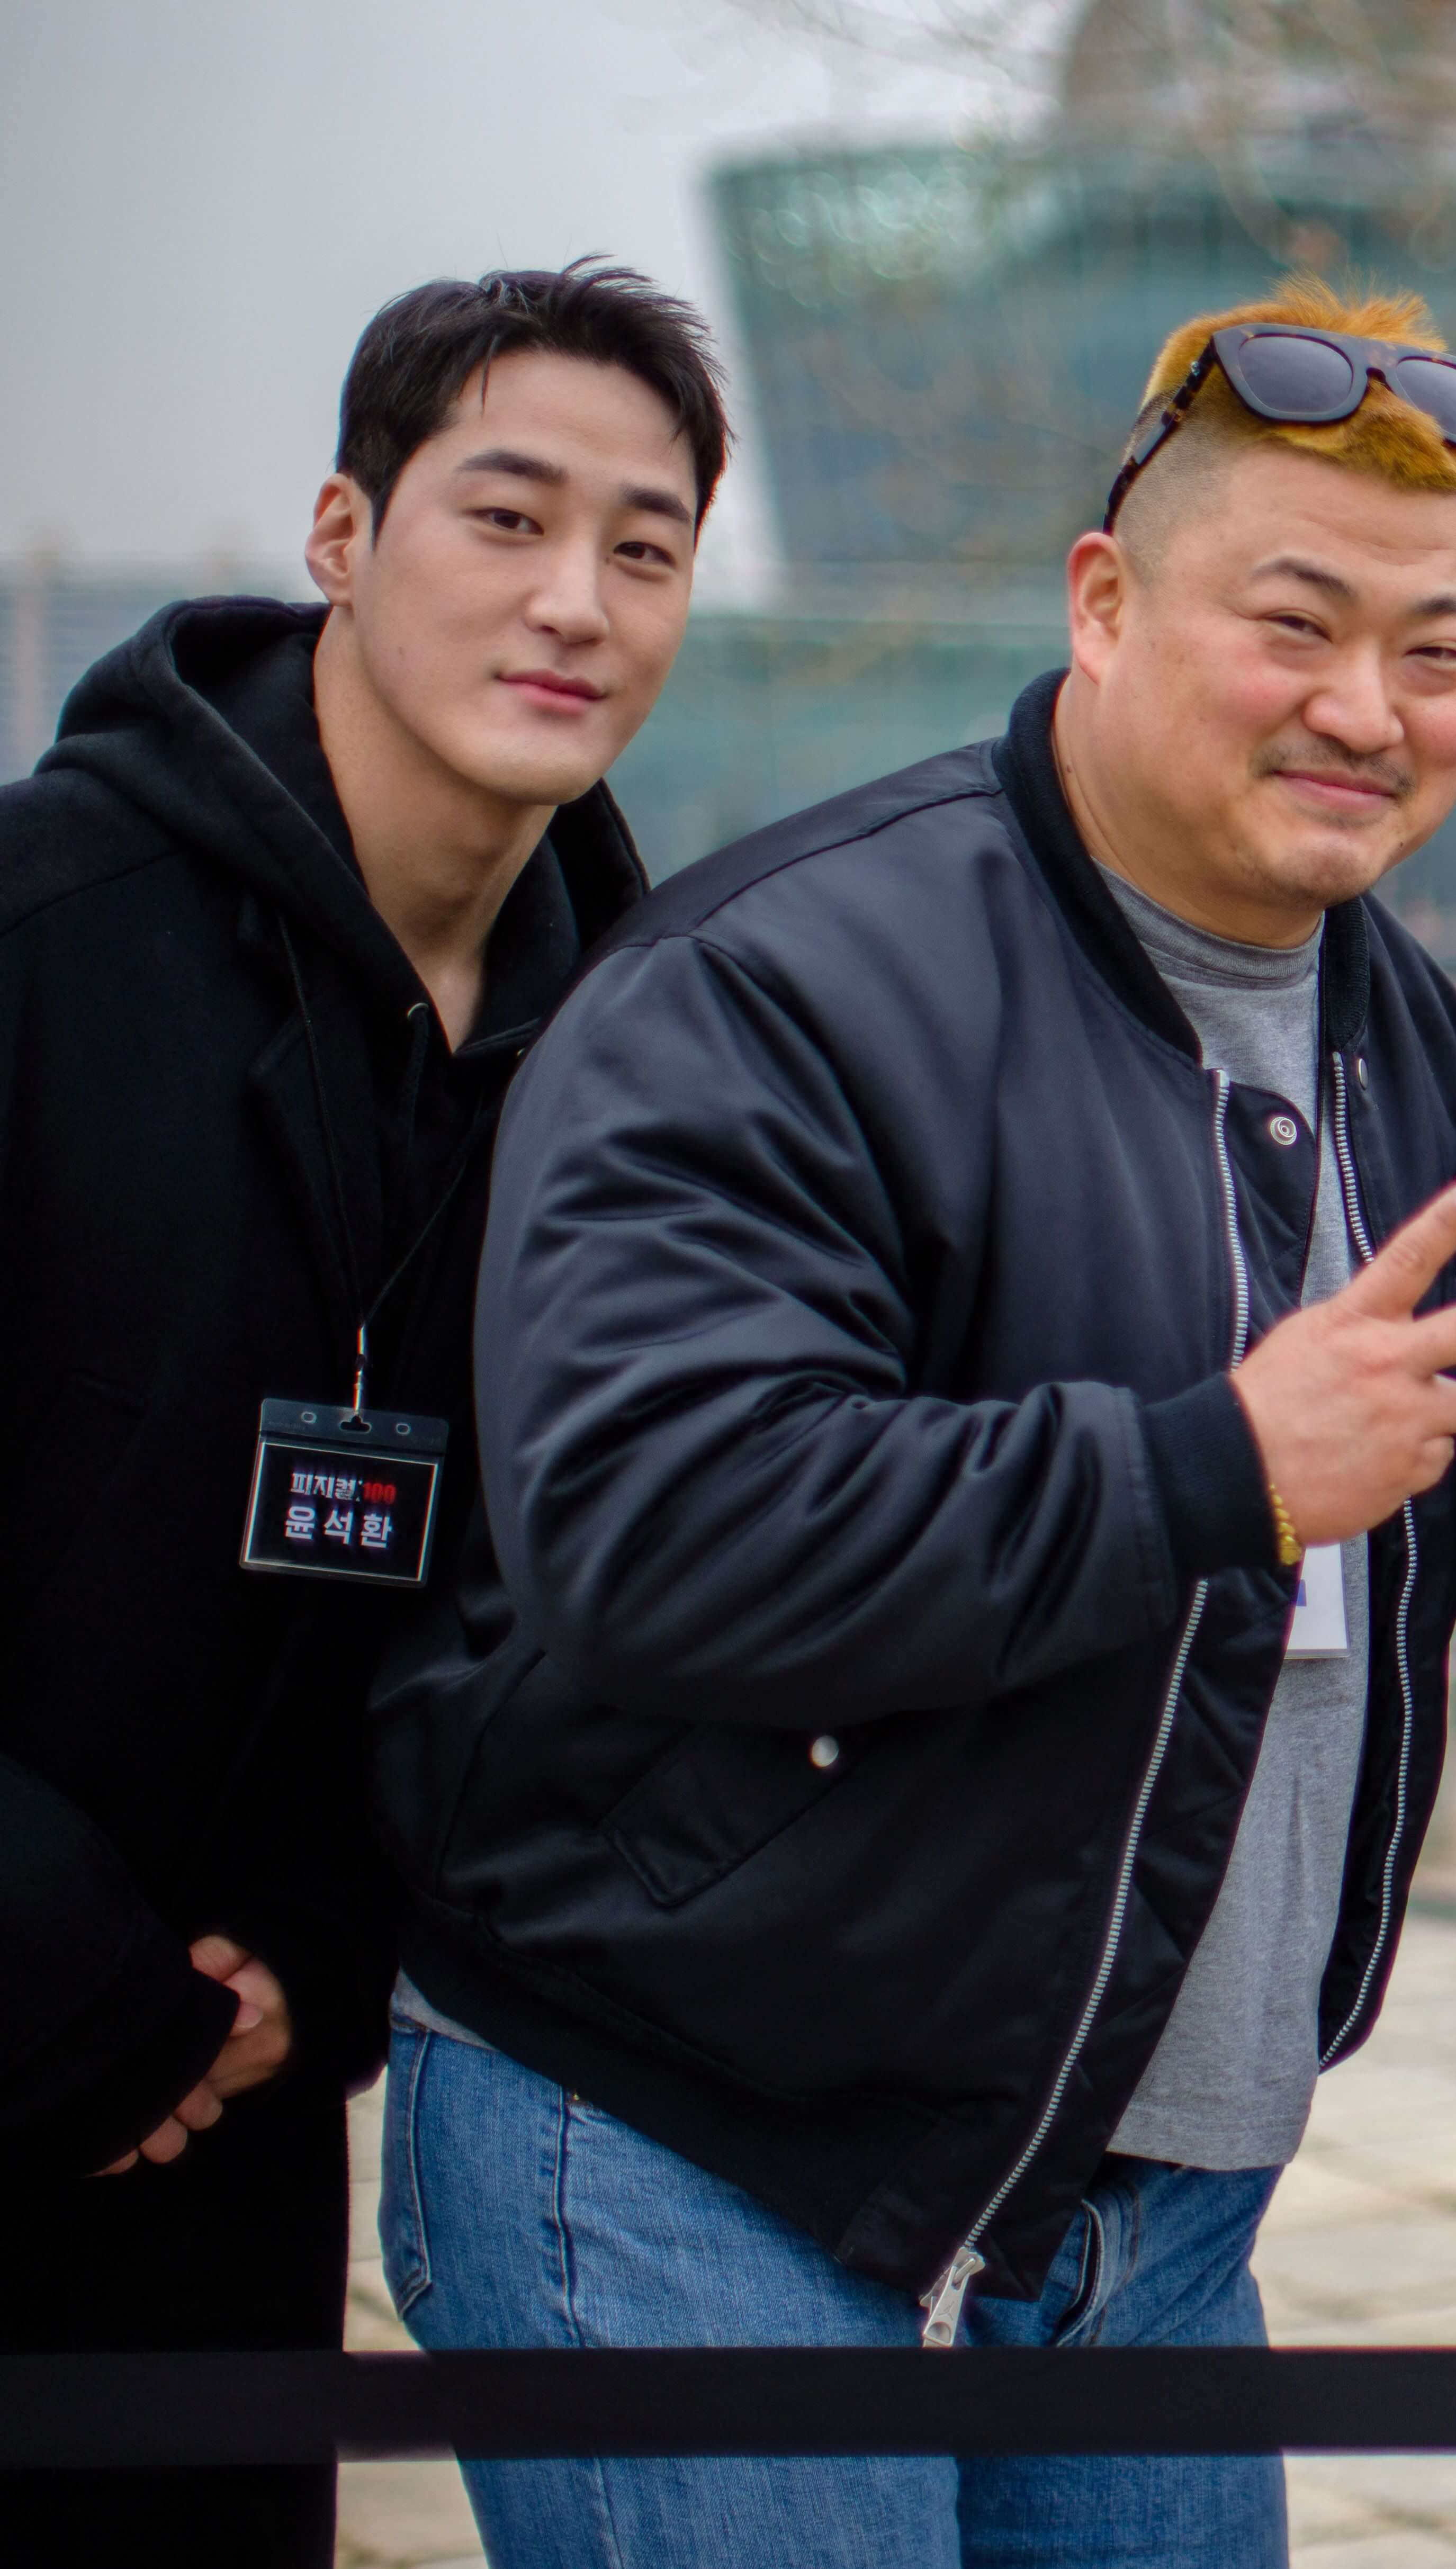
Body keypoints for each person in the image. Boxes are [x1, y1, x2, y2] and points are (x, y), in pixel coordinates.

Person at [364, 277, 1456, 2569]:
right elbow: (654, 1521)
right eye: (1297, 623)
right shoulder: (778, 983)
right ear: (1106, 603)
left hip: (1150, 2220)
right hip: (700, 2156)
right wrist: (1207, 1464)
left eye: (1435, 650)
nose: (1368, 708)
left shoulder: (1412, 1042)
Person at [0, 261, 723, 2569]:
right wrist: (57, 1968)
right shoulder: (39, 926)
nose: (573, 603)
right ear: (340, 529)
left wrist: (303, 1961)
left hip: (225, 2110)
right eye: (503, 518)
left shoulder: (640, 1063)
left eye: (644, 546)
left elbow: (527, 1597)